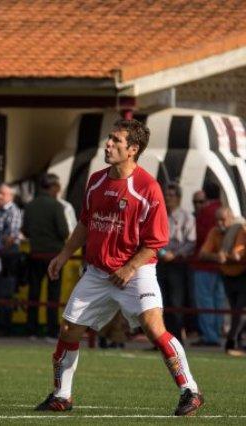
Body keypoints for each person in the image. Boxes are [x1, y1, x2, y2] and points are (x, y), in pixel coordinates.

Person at [35, 119, 203, 416]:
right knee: (68, 330)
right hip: (98, 272)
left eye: (115, 141)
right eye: (108, 139)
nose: (108, 145)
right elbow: (86, 223)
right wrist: (63, 255)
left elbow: (155, 242)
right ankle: (62, 396)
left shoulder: (148, 188)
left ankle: (190, 390)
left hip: (137, 272)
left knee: (154, 328)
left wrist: (128, 269)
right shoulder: (96, 179)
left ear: (133, 150)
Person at [22, 173, 69, 340]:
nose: (59, 190)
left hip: (35, 254)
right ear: (52, 187)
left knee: (33, 293)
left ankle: (31, 329)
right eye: (57, 187)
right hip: (53, 255)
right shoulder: (56, 206)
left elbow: (25, 230)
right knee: (53, 295)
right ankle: (51, 330)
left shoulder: (30, 206)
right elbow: (64, 231)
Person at [198, 207, 246, 356]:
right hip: (228, 276)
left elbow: (238, 255)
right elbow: (203, 253)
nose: (220, 223)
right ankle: (237, 342)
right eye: (217, 220)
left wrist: (224, 256)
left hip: (242, 275)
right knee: (235, 311)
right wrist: (218, 257)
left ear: (231, 219)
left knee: (240, 310)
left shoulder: (239, 230)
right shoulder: (215, 232)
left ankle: (231, 341)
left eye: (223, 220)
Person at [157, 183, 196, 343]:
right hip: (160, 262)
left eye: (171, 195)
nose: (167, 198)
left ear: (179, 198)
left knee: (176, 302)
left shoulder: (188, 217)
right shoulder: (159, 215)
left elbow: (191, 242)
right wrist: (163, 253)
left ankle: (176, 340)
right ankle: (161, 339)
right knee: (160, 302)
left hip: (178, 265)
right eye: (166, 195)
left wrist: (175, 254)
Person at [192, 183, 224, 346]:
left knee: (205, 301)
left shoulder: (205, 212)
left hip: (203, 263)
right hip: (222, 264)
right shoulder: (224, 210)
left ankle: (210, 336)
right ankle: (217, 332)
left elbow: (197, 237)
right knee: (218, 301)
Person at [0, 183, 22, 336]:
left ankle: (5, 327)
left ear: (11, 196)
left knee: (5, 291)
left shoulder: (13, 211)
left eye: (2, 194)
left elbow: (11, 237)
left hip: (8, 256)